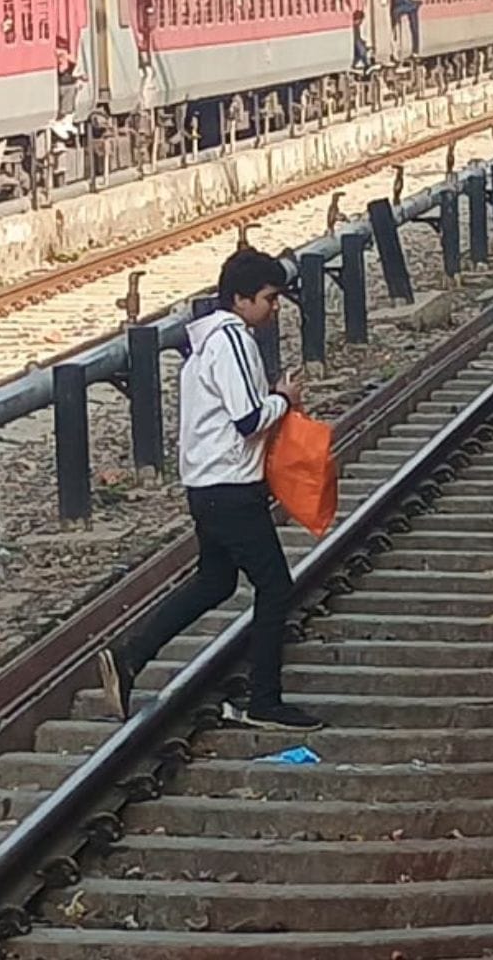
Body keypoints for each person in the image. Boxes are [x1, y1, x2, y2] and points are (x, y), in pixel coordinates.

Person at [96, 249, 323, 733]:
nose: (273, 307)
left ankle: (130, 656)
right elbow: (247, 420)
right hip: (231, 487)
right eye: (267, 298)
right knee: (276, 587)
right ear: (240, 300)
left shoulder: (204, 342)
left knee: (216, 582)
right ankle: (265, 701)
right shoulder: (233, 342)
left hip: (207, 485)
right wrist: (284, 398)